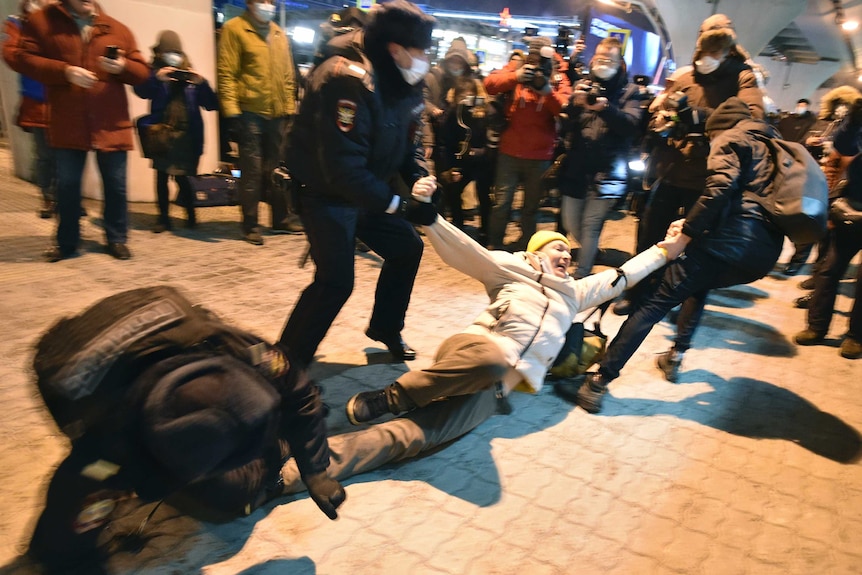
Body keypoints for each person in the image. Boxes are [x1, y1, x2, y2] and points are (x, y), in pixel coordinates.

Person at [277, 198, 671, 489]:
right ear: (535, 254)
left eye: (568, 251)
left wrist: (670, 246)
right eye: (557, 247)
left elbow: (626, 274)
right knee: (495, 357)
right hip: (473, 349)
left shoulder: (577, 293)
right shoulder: (513, 269)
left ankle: (286, 477)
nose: (566, 254)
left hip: (495, 387)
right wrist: (432, 220)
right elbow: (469, 253)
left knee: (413, 438)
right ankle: (392, 397)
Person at [27, 286, 345, 572]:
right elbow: (65, 531)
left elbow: (299, 389)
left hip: (154, 316)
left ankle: (275, 446)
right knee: (231, 495)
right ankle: (268, 453)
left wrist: (315, 470)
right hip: (71, 365)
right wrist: (67, 554)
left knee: (233, 482)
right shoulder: (107, 446)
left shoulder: (227, 345)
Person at [559, 97, 785, 414]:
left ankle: (596, 383)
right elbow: (745, 203)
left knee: (654, 302)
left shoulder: (732, 137)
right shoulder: (773, 147)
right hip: (761, 255)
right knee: (696, 281)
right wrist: (693, 226)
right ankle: (676, 355)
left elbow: (720, 188)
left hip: (729, 242)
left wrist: (686, 236)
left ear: (719, 126)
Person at [277, 1, 436, 366]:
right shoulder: (347, 80)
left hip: (368, 189)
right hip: (324, 192)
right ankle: (285, 363)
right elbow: (342, 168)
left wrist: (420, 178)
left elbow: (409, 142)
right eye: (421, 51)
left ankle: (385, 327)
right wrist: (398, 205)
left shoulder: (403, 78)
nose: (426, 59)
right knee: (335, 281)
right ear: (396, 48)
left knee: (406, 248)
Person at [612, 13, 764, 315]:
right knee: (648, 237)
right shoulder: (685, 76)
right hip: (670, 171)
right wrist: (661, 118)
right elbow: (661, 113)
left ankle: (684, 306)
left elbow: (753, 118)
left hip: (712, 179)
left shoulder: (743, 76)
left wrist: (698, 115)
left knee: (699, 247)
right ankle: (638, 292)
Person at [17, 0, 150, 262]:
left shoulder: (115, 28)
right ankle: (66, 242)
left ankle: (116, 237)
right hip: (68, 120)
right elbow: (23, 58)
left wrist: (122, 66)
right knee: (67, 186)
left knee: (115, 185)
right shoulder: (43, 22)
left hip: (111, 121)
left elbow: (143, 73)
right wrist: (65, 72)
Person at [557, 36, 644, 279]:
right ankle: (591, 252)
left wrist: (606, 108)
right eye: (600, 57)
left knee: (590, 225)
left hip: (608, 172)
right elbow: (565, 123)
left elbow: (631, 126)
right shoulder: (584, 85)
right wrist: (575, 102)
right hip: (577, 168)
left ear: (620, 62)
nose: (604, 62)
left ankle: (582, 274)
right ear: (593, 59)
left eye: (610, 58)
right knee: (571, 221)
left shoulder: (629, 92)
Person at [217, 0, 303, 245]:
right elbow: (226, 73)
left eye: (270, 1)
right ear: (250, 3)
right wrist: (232, 113)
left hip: (277, 115)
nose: (267, 5)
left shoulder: (278, 33)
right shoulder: (235, 29)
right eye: (261, 1)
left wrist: (288, 108)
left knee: (276, 170)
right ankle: (250, 224)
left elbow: (288, 75)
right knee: (252, 172)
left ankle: (280, 219)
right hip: (249, 113)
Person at [483, 36, 572, 251]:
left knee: (531, 207)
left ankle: (527, 247)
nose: (534, 60)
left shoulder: (558, 76)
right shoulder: (518, 66)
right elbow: (490, 84)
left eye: (538, 55)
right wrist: (516, 76)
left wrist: (547, 92)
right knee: (501, 204)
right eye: (531, 54)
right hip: (510, 151)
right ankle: (494, 245)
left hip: (540, 155)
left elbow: (565, 108)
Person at [794, 99, 862, 360]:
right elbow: (843, 146)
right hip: (851, 207)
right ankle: (816, 327)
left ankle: (856, 336)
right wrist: (854, 122)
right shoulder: (855, 126)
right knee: (828, 270)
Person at [134, 30, 218, 232]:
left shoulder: (190, 74)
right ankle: (163, 218)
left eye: (177, 52)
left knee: (183, 178)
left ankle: (191, 216)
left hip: (187, 136)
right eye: (169, 52)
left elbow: (211, 104)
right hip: (163, 134)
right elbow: (141, 91)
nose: (174, 56)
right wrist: (156, 78)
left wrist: (202, 83)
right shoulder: (154, 72)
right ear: (161, 53)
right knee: (161, 177)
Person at [785, 86, 861, 281]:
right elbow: (803, 141)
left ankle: (817, 275)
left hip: (840, 181)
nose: (840, 108)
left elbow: (848, 147)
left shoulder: (852, 127)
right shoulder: (821, 121)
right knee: (806, 220)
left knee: (829, 232)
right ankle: (798, 260)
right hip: (816, 176)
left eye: (845, 105)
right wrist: (810, 140)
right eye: (838, 104)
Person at [2, 0, 56, 220]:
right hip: (37, 104)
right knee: (45, 155)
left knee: (69, 155)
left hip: (66, 102)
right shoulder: (17, 23)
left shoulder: (63, 21)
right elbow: (10, 54)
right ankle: (48, 198)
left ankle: (68, 198)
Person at [436, 75, 493, 242]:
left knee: (484, 195)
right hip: (461, 161)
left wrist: (483, 152)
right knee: (452, 189)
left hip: (482, 161)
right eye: (462, 95)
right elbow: (445, 142)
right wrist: (450, 168)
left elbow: (493, 137)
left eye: (469, 94)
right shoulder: (453, 113)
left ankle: (485, 230)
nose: (466, 99)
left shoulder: (485, 110)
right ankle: (457, 223)